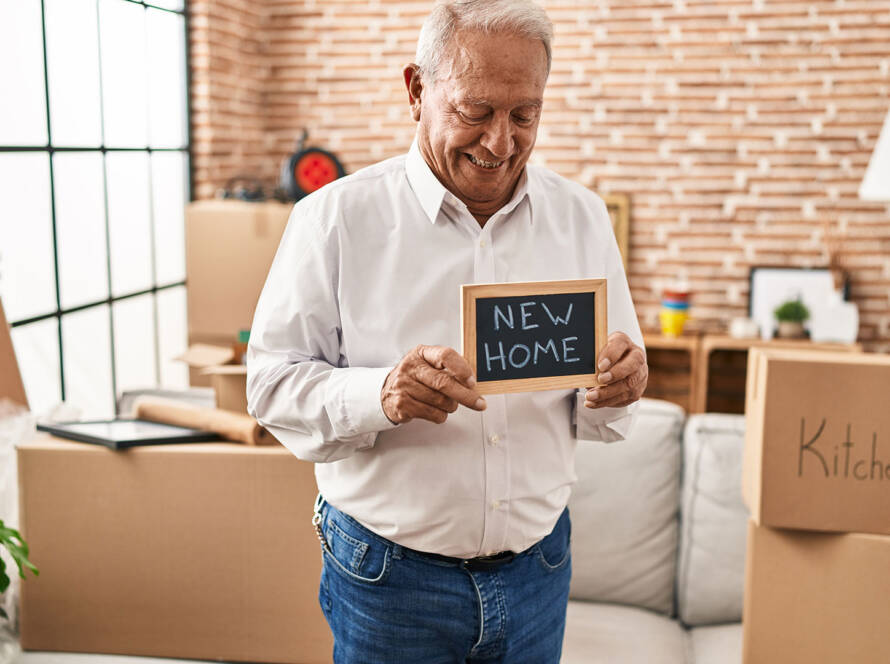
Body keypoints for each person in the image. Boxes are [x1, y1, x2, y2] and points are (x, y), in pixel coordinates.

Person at [247, 1, 647, 661]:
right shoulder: (333, 220)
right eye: (476, 112)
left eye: (525, 115)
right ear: (416, 90)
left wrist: (620, 385)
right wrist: (382, 394)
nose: (501, 143)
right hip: (388, 581)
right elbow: (269, 387)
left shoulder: (583, 218)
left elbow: (602, 402)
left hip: (539, 572)